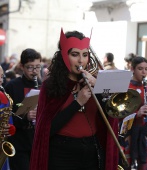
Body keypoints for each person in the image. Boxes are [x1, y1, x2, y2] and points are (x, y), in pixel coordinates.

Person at [30, 29, 119, 170]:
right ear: (64, 56)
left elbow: (111, 116)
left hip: (91, 152)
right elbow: (47, 129)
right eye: (75, 54)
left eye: (85, 55)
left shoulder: (96, 81)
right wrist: (77, 103)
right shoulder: (51, 85)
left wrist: (98, 86)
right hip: (61, 154)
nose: (81, 60)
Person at [119, 56, 147, 170]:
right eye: (140, 69)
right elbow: (119, 112)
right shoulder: (125, 87)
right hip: (128, 133)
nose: (144, 72)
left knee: (144, 163)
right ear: (132, 69)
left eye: (146, 69)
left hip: (142, 131)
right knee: (126, 164)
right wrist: (137, 114)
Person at [4, 48, 42, 170]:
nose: (35, 71)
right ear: (22, 66)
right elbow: (7, 116)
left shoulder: (42, 85)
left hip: (36, 142)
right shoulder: (12, 86)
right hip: (19, 142)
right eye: (30, 67)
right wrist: (26, 117)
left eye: (37, 67)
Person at [0, 66, 16, 170]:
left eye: (1, 77)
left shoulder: (3, 97)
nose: (1, 81)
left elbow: (9, 121)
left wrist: (9, 127)